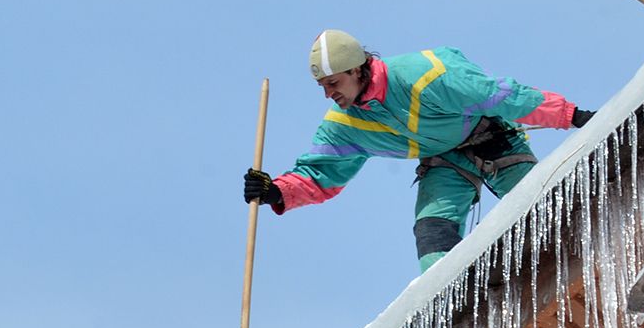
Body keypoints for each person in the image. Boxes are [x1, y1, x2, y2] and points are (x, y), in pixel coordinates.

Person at [243, 30, 595, 271]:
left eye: (333, 83)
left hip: (492, 139)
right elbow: (320, 173)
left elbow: (503, 96)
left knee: (544, 204)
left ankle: (586, 245)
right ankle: (460, 302)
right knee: (432, 233)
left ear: (356, 69)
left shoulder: (426, 75)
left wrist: (572, 116)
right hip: (444, 164)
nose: (328, 94)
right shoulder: (345, 122)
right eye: (322, 86)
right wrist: (275, 190)